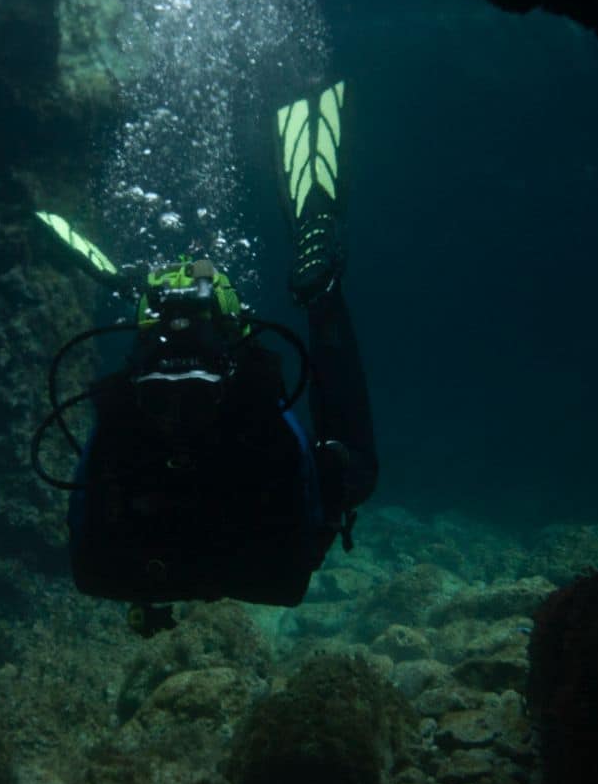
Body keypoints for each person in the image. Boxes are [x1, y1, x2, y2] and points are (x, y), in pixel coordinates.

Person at [31, 82, 377, 635]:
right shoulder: (146, 420)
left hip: (199, 557)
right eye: (165, 396)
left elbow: (92, 560)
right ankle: (321, 296)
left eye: (193, 394)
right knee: (348, 471)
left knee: (346, 471)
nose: (178, 415)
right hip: (245, 558)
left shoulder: (235, 410)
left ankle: (321, 296)